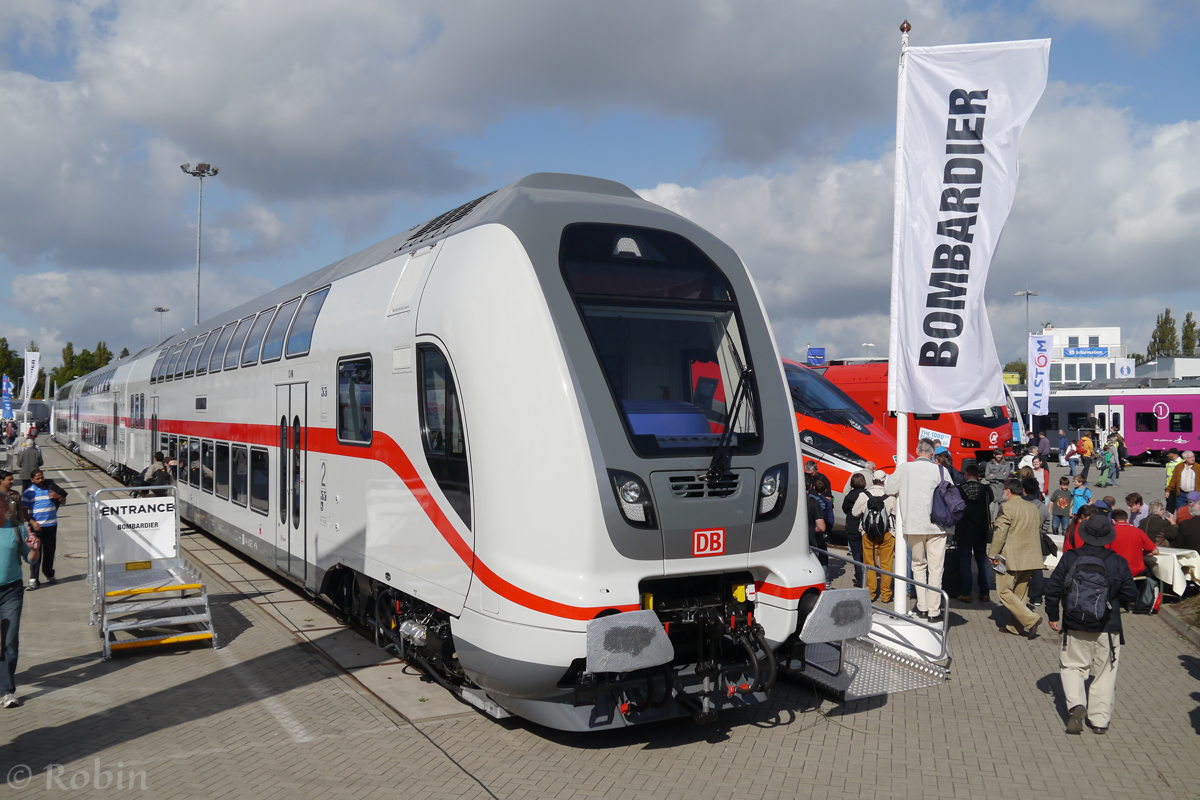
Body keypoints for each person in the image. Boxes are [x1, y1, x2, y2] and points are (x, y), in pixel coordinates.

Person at [1045, 515, 1137, 735]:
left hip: (1075, 623)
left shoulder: (1070, 557)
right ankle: (1099, 721)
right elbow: (1131, 595)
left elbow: (1053, 587)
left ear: (1083, 534)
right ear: (1108, 537)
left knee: (1072, 666)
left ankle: (1076, 705)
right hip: (1108, 625)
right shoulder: (1117, 561)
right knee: (1105, 672)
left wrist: (1053, 615)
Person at [885, 438, 950, 621]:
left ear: (917, 450)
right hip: (937, 525)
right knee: (936, 568)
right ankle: (934, 610)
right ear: (932, 454)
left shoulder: (905, 468)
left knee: (918, 565)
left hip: (913, 524)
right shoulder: (941, 470)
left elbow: (889, 488)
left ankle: (921, 607)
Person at [989, 478, 1044, 638]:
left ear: (1007, 491)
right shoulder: (1033, 507)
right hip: (1031, 556)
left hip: (1010, 556)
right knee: (1021, 591)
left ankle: (1031, 619)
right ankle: (1015, 626)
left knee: (1004, 591)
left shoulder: (1006, 507)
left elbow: (1000, 533)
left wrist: (993, 554)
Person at [1, 490, 39, 707]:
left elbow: (31, 560)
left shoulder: (16, 528)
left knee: (9, 640)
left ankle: (6, 691)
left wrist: (35, 549)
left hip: (11, 592)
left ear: (5, 508)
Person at [852, 470, 896, 604]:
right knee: (886, 564)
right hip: (887, 533)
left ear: (872, 480)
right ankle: (886, 595)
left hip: (868, 534)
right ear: (884, 481)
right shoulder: (890, 496)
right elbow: (896, 514)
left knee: (869, 564)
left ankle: (871, 593)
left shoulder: (863, 495)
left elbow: (854, 513)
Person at [22, 468, 67, 589]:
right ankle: (33, 579)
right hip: (37, 527)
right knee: (36, 553)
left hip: (51, 525)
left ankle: (49, 574)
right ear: (32, 480)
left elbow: (63, 501)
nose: (41, 480)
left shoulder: (51, 488)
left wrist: (57, 496)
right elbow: (24, 512)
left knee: (50, 552)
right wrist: (32, 522)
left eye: (42, 477)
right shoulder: (28, 492)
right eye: (37, 478)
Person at [955, 463, 992, 604]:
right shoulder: (986, 489)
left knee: (965, 563)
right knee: (982, 562)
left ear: (965, 475)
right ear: (978, 476)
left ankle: (966, 593)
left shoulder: (959, 489)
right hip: (981, 531)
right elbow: (991, 501)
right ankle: (985, 593)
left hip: (963, 531)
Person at [1107, 510, 1158, 578]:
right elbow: (1155, 551)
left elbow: (1104, 551)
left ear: (1113, 520)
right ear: (1127, 520)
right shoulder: (1138, 531)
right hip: (1137, 570)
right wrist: (1140, 552)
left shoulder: (1110, 532)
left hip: (1118, 571)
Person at [840, 473, 868, 588]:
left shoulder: (849, 495)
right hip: (865, 527)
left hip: (852, 527)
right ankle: (868, 578)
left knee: (856, 555)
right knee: (866, 554)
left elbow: (844, 509)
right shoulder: (867, 494)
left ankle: (860, 579)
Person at [1166, 451, 1200, 515]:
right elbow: (1174, 480)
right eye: (1190, 457)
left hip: (1194, 494)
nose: (1192, 459)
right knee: (1180, 512)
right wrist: (1168, 490)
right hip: (1181, 494)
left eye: (1193, 457)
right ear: (1185, 459)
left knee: (1193, 513)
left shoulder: (1198, 467)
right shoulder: (1179, 467)